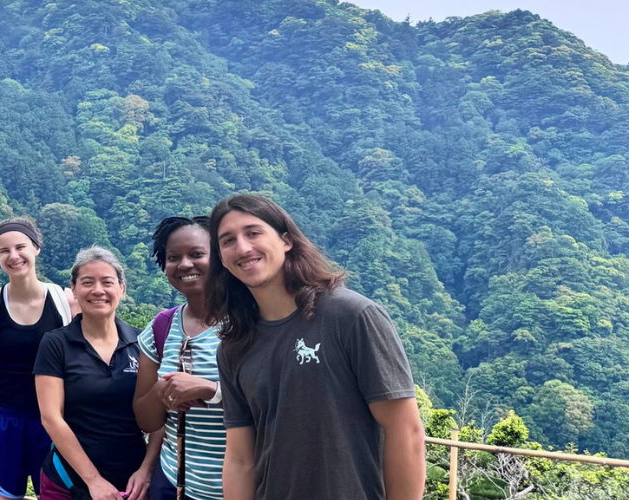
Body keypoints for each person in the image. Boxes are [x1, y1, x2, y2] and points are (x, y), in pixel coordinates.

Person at [207, 194, 425, 500]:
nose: (242, 248)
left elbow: (405, 431)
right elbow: (240, 459)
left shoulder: (351, 316)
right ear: (222, 259)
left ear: (286, 241)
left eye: (253, 232)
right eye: (227, 241)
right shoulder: (234, 346)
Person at [35, 246, 162, 500]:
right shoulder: (56, 343)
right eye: (87, 282)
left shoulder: (142, 342)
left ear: (121, 288)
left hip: (132, 482)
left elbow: (159, 416)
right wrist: (94, 481)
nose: (98, 290)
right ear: (73, 288)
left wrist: (146, 470)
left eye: (107, 282)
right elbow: (51, 418)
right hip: (68, 482)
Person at [0, 217, 73, 500]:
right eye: (4, 250)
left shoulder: (66, 301)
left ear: (36, 248)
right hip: (3, 420)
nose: (13, 256)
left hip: (55, 422)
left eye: (20, 247)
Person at [132, 217, 226, 500]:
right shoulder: (161, 328)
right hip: (172, 484)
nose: (184, 265)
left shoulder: (252, 323)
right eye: (173, 258)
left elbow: (279, 407)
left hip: (241, 486)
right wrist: (162, 391)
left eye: (197, 254)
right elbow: (145, 420)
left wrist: (212, 390)